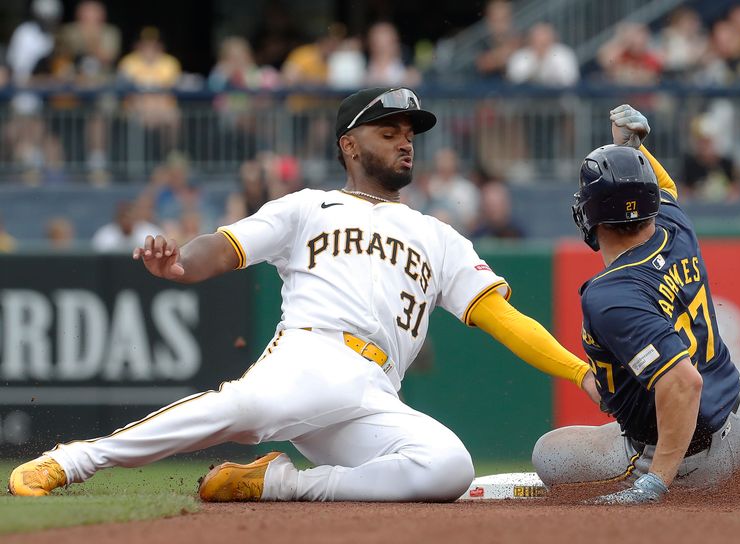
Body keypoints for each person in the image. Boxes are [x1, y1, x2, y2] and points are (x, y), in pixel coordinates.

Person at [9, 87, 598, 502]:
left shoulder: (439, 236)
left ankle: (282, 484)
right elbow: (227, 244)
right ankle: (71, 460)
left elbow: (502, 317)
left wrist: (578, 372)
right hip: (311, 357)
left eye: (409, 135)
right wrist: (181, 267)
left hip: (375, 393)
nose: (404, 143)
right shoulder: (307, 207)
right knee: (236, 409)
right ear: (349, 145)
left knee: (447, 467)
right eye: (388, 132)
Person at [531, 105, 740, 504]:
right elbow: (662, 187)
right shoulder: (675, 225)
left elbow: (683, 384)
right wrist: (634, 148)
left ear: (590, 213)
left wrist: (655, 482)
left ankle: (669, 485)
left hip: (690, 448)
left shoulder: (611, 293)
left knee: (550, 455)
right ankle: (737, 473)